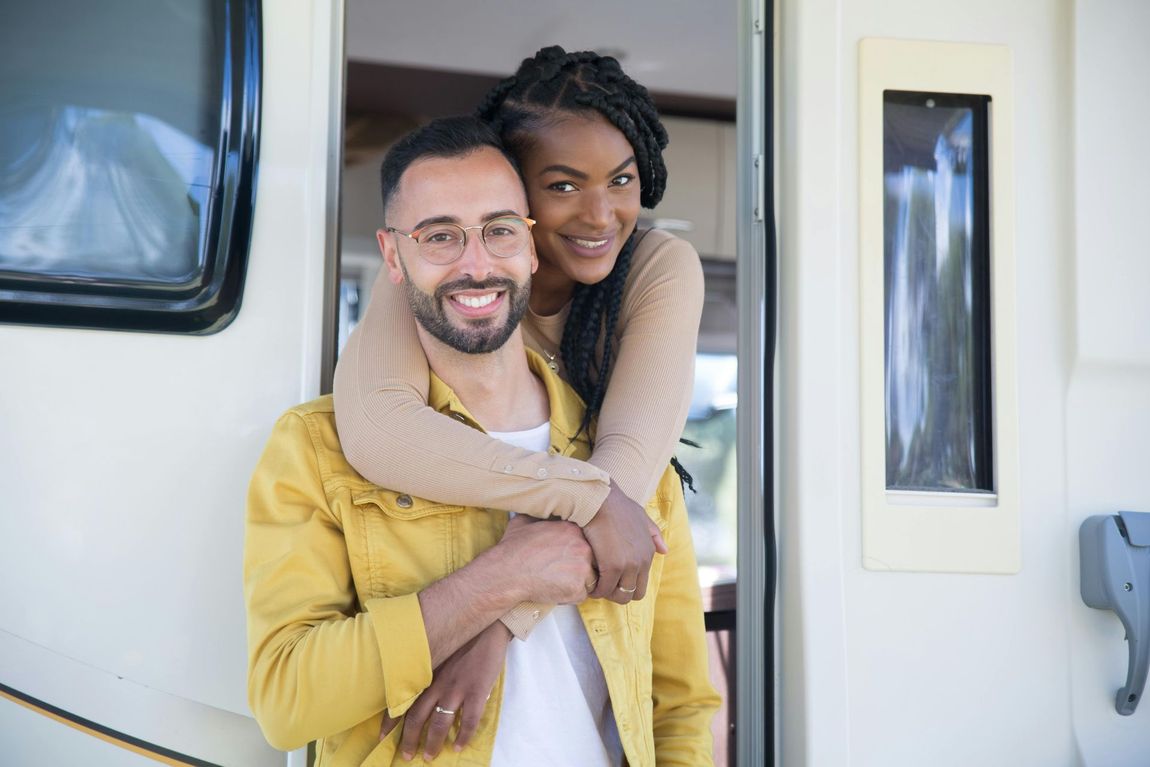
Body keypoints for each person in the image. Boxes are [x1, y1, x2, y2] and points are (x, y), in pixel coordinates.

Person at [245, 116, 718, 766]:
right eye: (440, 236)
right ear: (392, 255)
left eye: (498, 231)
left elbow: (682, 704)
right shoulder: (315, 448)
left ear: (530, 247)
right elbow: (286, 699)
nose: (476, 265)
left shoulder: (629, 462)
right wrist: (504, 575)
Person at [333, 46, 705, 615]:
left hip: (556, 610)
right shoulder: (434, 268)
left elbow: (624, 470)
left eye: (621, 180)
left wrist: (498, 622)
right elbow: (377, 429)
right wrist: (584, 496)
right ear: (510, 187)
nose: (601, 216)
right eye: (563, 186)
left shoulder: (656, 266)